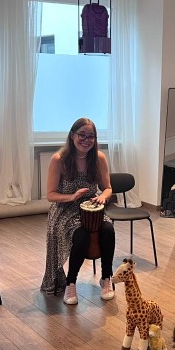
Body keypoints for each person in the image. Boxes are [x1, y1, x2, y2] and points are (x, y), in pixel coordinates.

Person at [40, 117, 115, 305]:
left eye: (91, 136)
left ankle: (107, 278)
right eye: (82, 135)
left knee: (108, 230)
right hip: (65, 208)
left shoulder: (99, 158)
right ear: (72, 135)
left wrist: (103, 197)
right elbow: (51, 195)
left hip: (92, 207)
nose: (87, 140)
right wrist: (72, 197)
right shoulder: (60, 160)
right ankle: (70, 283)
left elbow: (107, 187)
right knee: (81, 236)